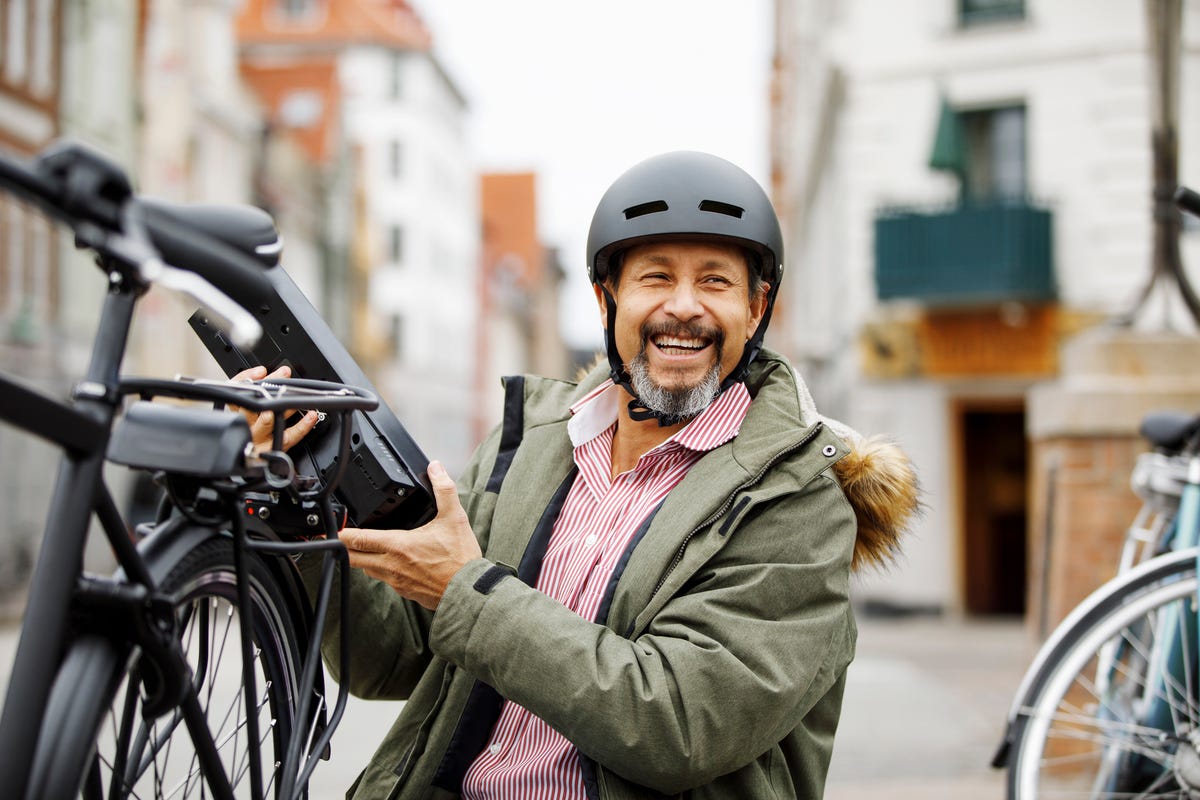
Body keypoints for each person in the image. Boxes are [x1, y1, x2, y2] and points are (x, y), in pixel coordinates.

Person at [247, 151, 920, 799]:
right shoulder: (531, 445)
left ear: (756, 305)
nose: (683, 306)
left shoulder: (798, 499)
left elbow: (680, 725)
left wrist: (467, 592)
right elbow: (389, 658)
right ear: (607, 300)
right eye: (655, 277)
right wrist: (301, 492)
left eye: (714, 280)